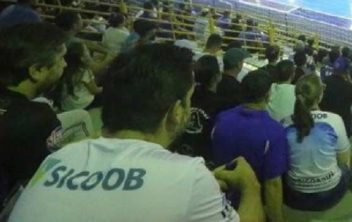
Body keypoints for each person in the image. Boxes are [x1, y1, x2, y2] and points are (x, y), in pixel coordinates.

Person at [9, 43, 265, 222]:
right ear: (176, 111)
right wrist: (250, 186)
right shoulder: (189, 177)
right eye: (189, 98)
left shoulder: (59, 158)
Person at [0, 23, 67, 199]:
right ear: (37, 70)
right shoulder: (38, 116)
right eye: (61, 58)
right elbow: (42, 181)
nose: (65, 64)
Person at [212, 69, 287, 222]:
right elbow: (273, 185)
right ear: (268, 95)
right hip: (251, 201)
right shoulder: (274, 131)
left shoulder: (222, 118)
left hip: (219, 196)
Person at [283, 74, 352, 211]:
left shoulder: (284, 123)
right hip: (329, 195)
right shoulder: (335, 120)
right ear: (320, 96)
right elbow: (344, 161)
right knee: (348, 154)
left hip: (294, 196)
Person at [173, 55, 222, 160]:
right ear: (217, 76)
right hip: (201, 159)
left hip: (177, 152)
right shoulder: (219, 104)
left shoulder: (187, 95)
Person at [320, 67, 352, 137]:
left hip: (324, 123)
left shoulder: (325, 81)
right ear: (347, 74)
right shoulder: (351, 87)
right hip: (342, 129)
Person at [55, 41, 101, 111]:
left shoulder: (63, 69)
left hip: (66, 105)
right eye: (86, 50)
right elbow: (94, 91)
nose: (88, 51)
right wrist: (104, 88)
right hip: (81, 105)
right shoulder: (84, 71)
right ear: (82, 58)